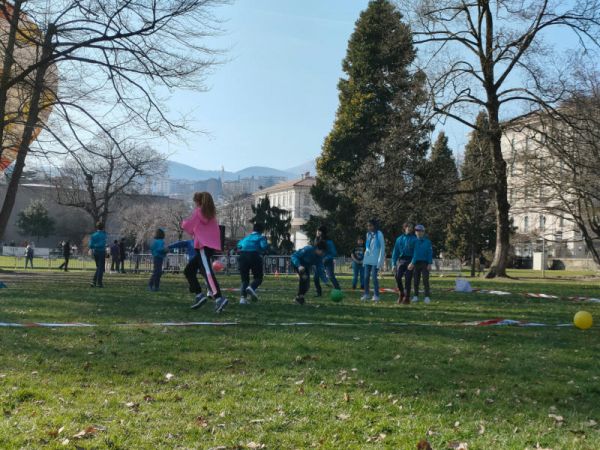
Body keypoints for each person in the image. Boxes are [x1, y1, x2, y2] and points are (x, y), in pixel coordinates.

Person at [182, 192, 228, 313]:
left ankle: (219, 298)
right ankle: (199, 296)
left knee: (207, 272)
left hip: (202, 247)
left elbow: (189, 227)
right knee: (189, 271)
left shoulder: (199, 212)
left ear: (198, 202)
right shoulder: (210, 214)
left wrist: (183, 223)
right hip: (209, 246)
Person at [237, 223, 269, 305]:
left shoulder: (246, 238)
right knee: (258, 277)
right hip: (254, 256)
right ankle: (251, 287)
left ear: (253, 230)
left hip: (243, 256)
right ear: (261, 231)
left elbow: (239, 245)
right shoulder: (260, 237)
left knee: (244, 280)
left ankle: (243, 299)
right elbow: (264, 247)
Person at [290, 240, 328, 305]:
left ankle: (299, 298)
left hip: (305, 267)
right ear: (317, 248)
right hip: (296, 264)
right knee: (304, 278)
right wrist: (299, 265)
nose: (323, 254)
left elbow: (320, 269)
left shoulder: (319, 257)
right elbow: (293, 256)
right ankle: (300, 298)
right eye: (322, 251)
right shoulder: (308, 249)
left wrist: (326, 281)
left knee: (307, 286)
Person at [391, 223, 417, 304]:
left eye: (411, 227)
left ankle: (407, 298)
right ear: (404, 228)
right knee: (398, 277)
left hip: (410, 260)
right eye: (408, 227)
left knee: (408, 279)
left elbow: (416, 252)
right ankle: (401, 293)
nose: (409, 228)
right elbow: (395, 252)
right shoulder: (399, 239)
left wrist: (413, 262)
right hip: (401, 260)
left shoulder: (415, 239)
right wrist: (393, 264)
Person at [362, 219, 385, 302]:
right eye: (368, 226)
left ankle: (376, 295)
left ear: (375, 226)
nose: (369, 227)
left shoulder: (379, 234)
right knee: (366, 277)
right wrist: (364, 260)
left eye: (371, 225)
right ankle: (366, 294)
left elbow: (382, 248)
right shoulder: (368, 234)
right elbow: (367, 247)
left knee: (374, 278)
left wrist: (380, 260)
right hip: (368, 259)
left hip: (375, 260)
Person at [409, 224, 433, 304]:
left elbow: (430, 253)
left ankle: (427, 297)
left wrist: (430, 263)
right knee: (416, 280)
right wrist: (412, 262)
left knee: (425, 280)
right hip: (415, 263)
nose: (419, 232)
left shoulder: (427, 242)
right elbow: (413, 253)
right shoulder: (413, 241)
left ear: (423, 232)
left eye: (420, 231)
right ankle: (415, 296)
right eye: (417, 231)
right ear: (415, 232)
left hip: (425, 263)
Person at [313, 226, 341, 297]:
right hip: (319, 262)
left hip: (328, 262)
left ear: (323, 232)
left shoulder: (329, 241)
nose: (317, 232)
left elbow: (334, 253)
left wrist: (326, 258)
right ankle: (318, 293)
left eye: (319, 231)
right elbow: (315, 250)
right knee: (316, 277)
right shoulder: (316, 240)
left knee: (331, 276)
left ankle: (338, 291)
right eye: (317, 231)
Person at [89, 223, 107, 288]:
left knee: (98, 267)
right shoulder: (103, 235)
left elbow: (90, 245)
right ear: (103, 228)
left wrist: (95, 246)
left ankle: (93, 282)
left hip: (95, 252)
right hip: (101, 252)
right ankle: (99, 283)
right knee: (101, 268)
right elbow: (103, 244)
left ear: (97, 227)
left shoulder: (93, 235)